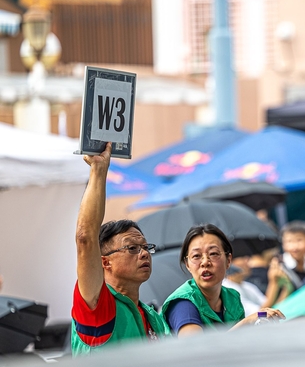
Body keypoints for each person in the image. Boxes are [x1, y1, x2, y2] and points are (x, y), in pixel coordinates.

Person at [72, 143, 169, 356]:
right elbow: (85, 237)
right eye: (132, 248)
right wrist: (98, 170)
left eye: (145, 247)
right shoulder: (98, 306)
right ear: (104, 262)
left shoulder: (153, 317)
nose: (144, 253)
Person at [162, 224, 284, 336]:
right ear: (187, 264)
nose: (205, 262)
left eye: (213, 254)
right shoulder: (183, 304)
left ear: (228, 260)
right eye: (196, 256)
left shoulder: (232, 297)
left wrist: (260, 317)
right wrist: (247, 321)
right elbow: (196, 348)